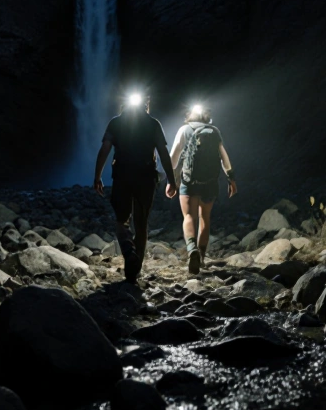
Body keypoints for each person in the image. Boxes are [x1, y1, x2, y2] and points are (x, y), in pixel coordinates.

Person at [94, 92, 178, 282]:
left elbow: (105, 149)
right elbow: (163, 153)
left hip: (122, 176)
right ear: (146, 104)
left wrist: (97, 176)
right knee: (141, 224)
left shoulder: (115, 123)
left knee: (121, 220)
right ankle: (135, 269)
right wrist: (172, 180)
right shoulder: (153, 123)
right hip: (146, 178)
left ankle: (128, 251)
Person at [169, 105, 236, 275]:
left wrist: (171, 181)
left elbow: (173, 157)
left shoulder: (184, 129)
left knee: (189, 216)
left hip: (189, 182)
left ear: (189, 115)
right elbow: (224, 157)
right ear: (206, 116)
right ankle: (203, 257)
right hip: (210, 182)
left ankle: (192, 250)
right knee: (204, 217)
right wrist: (231, 178)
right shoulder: (214, 131)